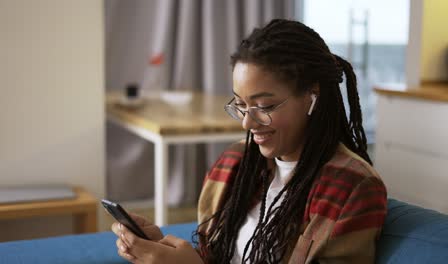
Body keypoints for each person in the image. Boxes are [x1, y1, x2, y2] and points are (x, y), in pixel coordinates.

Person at [111, 18, 387, 264]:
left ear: (311, 96)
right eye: (241, 104)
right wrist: (159, 248)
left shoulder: (352, 187)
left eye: (264, 106)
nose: (246, 122)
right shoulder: (235, 163)